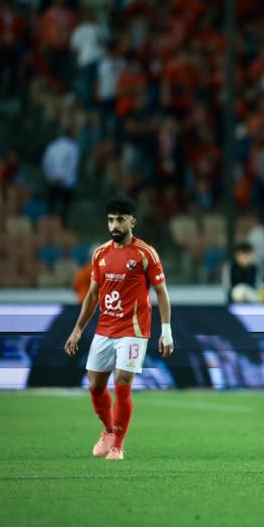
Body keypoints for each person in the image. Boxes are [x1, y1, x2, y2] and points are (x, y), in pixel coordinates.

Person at [64, 197, 174, 461]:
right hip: (105, 328)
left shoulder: (146, 253)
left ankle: (118, 446)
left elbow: (161, 291)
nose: (115, 225)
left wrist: (166, 330)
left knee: (122, 382)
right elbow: (92, 295)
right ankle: (108, 431)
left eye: (120, 220)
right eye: (111, 220)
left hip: (133, 330)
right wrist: (77, 330)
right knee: (95, 385)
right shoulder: (100, 254)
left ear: (132, 222)